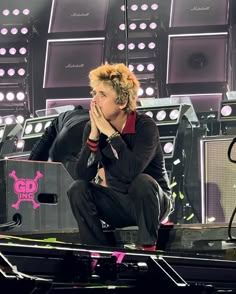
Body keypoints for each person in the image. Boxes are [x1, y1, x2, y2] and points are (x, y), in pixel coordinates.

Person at [67, 63, 173, 251]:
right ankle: (97, 253)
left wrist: (111, 134)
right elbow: (82, 175)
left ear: (122, 102)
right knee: (77, 189)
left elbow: (130, 172)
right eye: (94, 94)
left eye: (103, 95)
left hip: (152, 203)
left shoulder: (145, 126)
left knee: (142, 181)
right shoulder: (93, 130)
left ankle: (148, 250)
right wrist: (93, 136)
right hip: (119, 203)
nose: (95, 101)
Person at [28, 105, 89, 179]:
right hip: (59, 126)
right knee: (34, 162)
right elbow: (54, 157)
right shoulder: (69, 135)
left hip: (81, 119)